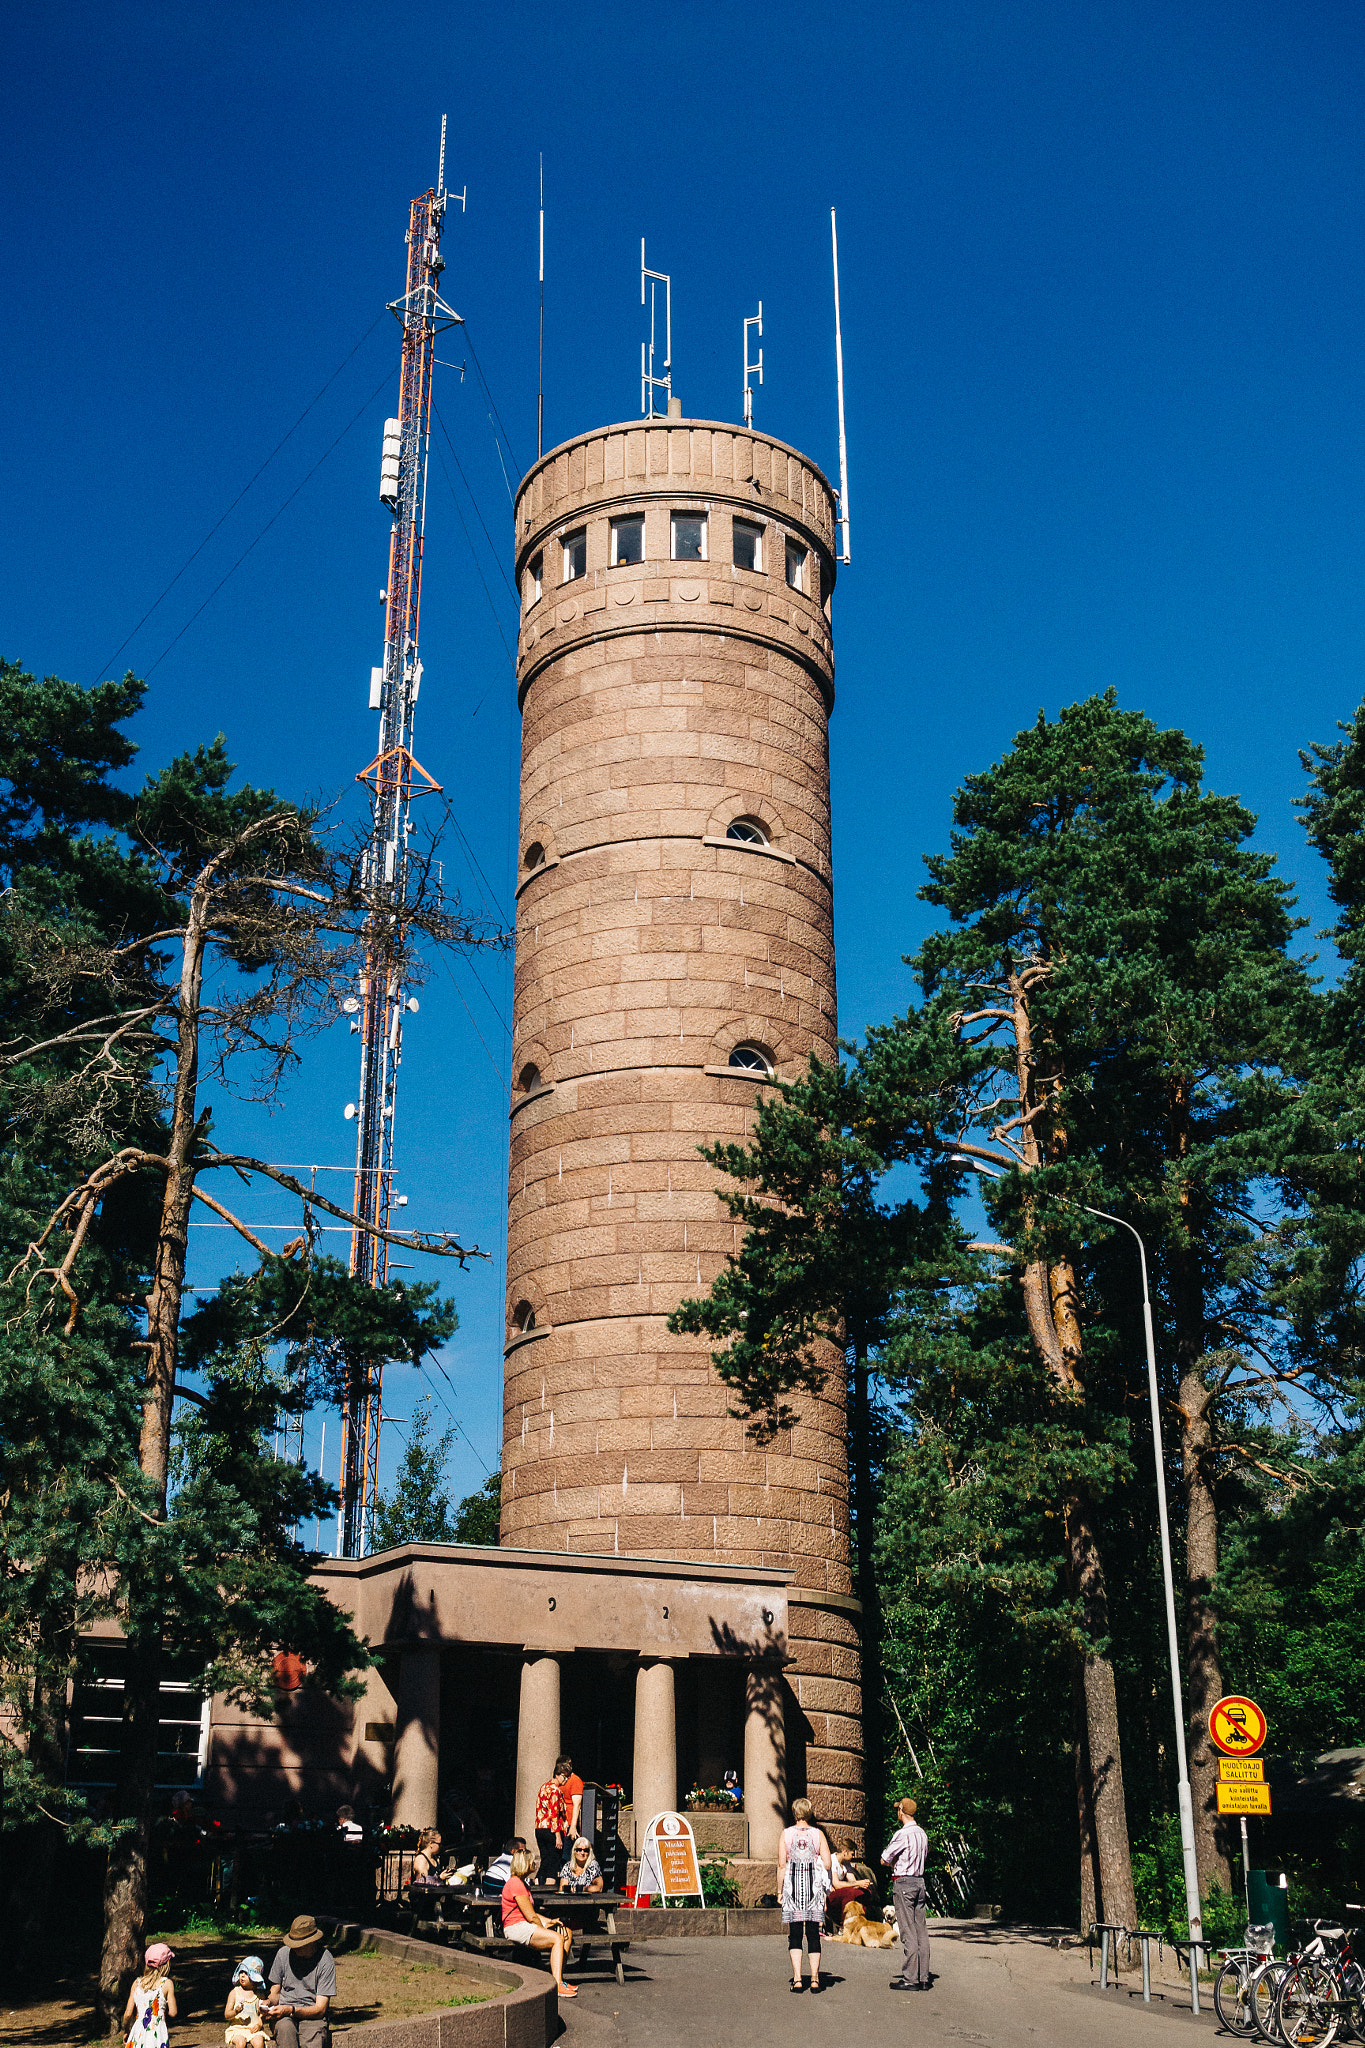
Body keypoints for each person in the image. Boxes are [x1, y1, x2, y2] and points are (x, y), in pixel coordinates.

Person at [501, 1846, 577, 1997]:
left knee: (566, 1932)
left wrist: (550, 1921)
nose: (535, 1864)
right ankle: (556, 1984)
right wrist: (545, 1929)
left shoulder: (523, 1883)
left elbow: (531, 1913)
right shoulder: (515, 1884)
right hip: (515, 1927)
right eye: (532, 1862)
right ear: (525, 1864)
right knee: (557, 1938)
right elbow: (530, 1916)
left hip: (524, 1924)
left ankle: (559, 1977)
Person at [777, 1797, 832, 1993]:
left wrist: (779, 1891)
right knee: (813, 1935)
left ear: (794, 1813)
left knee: (795, 1935)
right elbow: (827, 1864)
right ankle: (816, 1979)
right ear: (809, 1813)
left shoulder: (786, 1834)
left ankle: (799, 1979)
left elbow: (782, 1866)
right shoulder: (818, 1834)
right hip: (814, 1889)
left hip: (792, 1889)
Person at [881, 1796, 930, 1991]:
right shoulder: (922, 1834)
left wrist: (892, 1863)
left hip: (904, 1883)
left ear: (901, 1811)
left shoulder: (902, 1834)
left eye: (898, 1810)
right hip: (920, 1882)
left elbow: (884, 1858)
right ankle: (924, 1976)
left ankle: (910, 1978)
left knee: (907, 1930)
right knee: (921, 1931)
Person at [267, 1914, 337, 2048]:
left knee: (313, 2038)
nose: (294, 1948)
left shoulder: (325, 1960)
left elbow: (321, 2008)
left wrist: (291, 2010)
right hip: (284, 2013)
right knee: (285, 2031)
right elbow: (274, 1993)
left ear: (311, 1942)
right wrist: (268, 2002)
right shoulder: (283, 1954)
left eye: (299, 1945)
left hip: (312, 2014)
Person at [123, 1942, 178, 2048]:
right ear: (166, 1964)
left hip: (138, 2032)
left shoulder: (137, 1983)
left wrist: (126, 2030)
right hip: (157, 2034)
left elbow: (128, 2014)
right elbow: (173, 2012)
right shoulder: (166, 1984)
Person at [828, 1836, 879, 1926]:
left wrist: (862, 1884)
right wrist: (858, 1883)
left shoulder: (846, 1864)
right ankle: (845, 1924)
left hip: (840, 1891)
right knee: (850, 1892)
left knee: (863, 1892)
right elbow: (836, 1884)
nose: (854, 1856)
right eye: (852, 1854)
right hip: (829, 1893)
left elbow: (853, 1881)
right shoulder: (832, 1860)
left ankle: (860, 1921)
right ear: (845, 1852)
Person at [534, 1763, 571, 1886]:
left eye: (567, 1777)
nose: (565, 1779)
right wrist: (558, 1836)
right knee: (553, 1862)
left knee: (545, 1859)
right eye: (563, 1776)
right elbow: (554, 1813)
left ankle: (537, 1884)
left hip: (540, 1828)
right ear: (556, 1774)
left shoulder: (544, 1787)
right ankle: (549, 1890)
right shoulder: (555, 1790)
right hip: (552, 1829)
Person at [224, 1956, 270, 2048]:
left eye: (247, 1973)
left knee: (259, 2043)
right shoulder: (234, 1993)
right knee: (241, 2043)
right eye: (241, 1972)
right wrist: (236, 2011)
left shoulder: (259, 1995)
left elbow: (262, 2015)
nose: (243, 1975)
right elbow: (227, 2015)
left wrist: (259, 2024)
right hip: (237, 2029)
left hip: (253, 2029)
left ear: (255, 1980)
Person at [557, 1754, 584, 1838]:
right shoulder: (559, 1780)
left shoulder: (575, 1780)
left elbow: (576, 1805)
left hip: (568, 1822)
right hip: (559, 1823)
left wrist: (573, 1826)